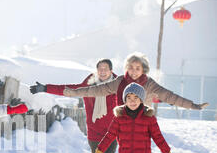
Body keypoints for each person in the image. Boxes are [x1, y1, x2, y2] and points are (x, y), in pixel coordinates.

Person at [30, 59, 118, 153]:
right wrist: (46, 88)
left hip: (112, 130)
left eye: (105, 68)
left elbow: (131, 99)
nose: (102, 71)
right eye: (100, 68)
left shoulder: (117, 86)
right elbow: (67, 89)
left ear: (111, 70)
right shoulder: (88, 85)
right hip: (94, 130)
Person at [62, 52, 209, 111]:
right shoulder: (119, 81)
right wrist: (74, 92)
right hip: (123, 123)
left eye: (137, 68)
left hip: (142, 123)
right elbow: (96, 90)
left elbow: (169, 96)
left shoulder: (149, 84)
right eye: (131, 67)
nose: (133, 71)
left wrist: (193, 105)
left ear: (143, 70)